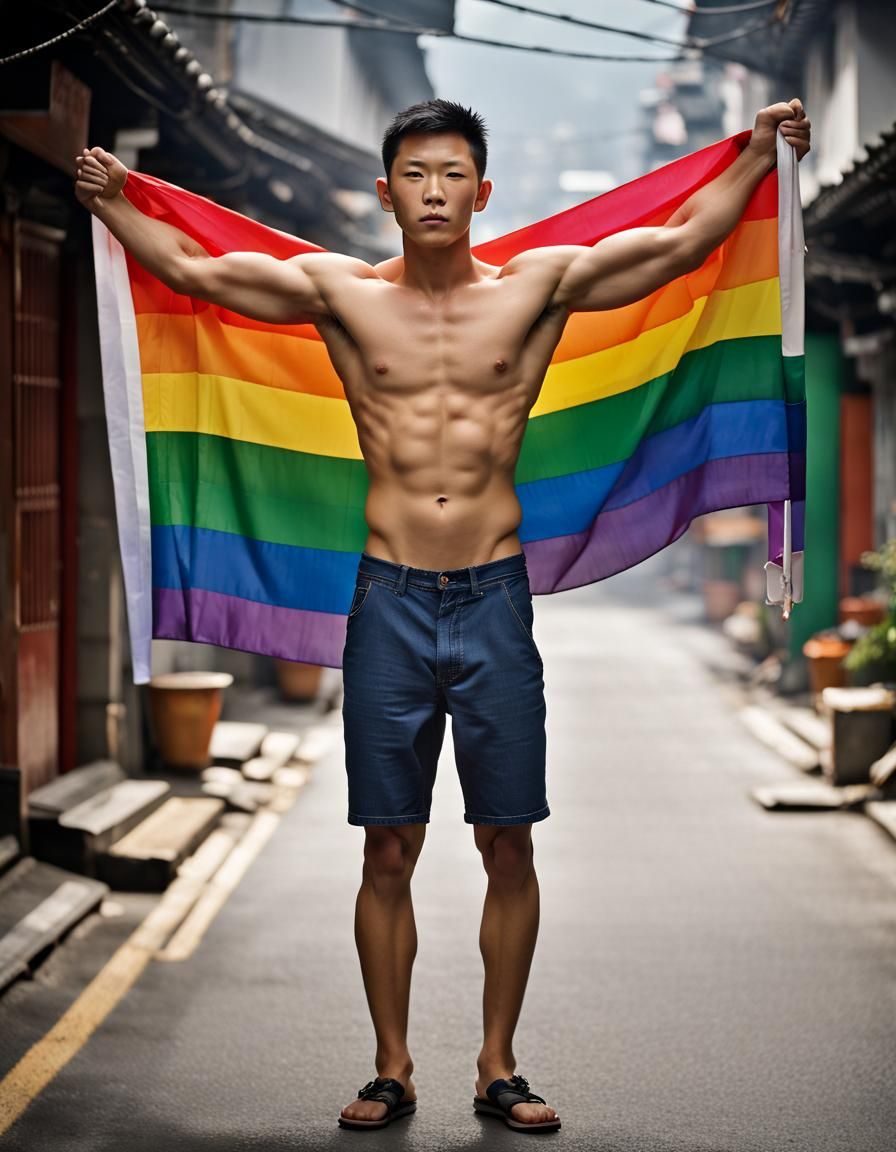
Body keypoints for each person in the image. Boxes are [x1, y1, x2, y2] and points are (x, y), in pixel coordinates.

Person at [75, 98, 810, 1133]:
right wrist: (114, 202)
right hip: (388, 600)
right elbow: (197, 271)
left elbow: (681, 243)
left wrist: (756, 154)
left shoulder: (537, 285)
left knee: (508, 842)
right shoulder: (338, 291)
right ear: (387, 193)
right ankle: (391, 1067)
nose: (433, 192)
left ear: (482, 191)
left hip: (493, 598)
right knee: (387, 847)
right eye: (415, 175)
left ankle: (498, 1065)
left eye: (452, 174)